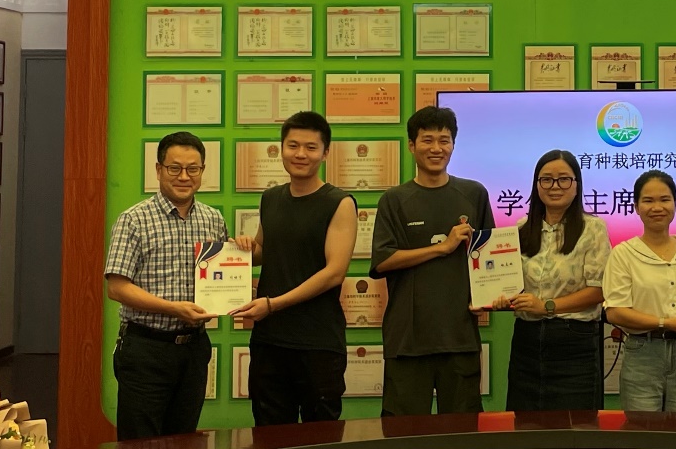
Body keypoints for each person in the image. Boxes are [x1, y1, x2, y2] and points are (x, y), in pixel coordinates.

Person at [230, 111, 358, 426]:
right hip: (270, 341)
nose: (301, 154)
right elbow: (264, 251)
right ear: (282, 149)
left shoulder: (339, 203)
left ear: (325, 153)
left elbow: (334, 273)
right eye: (293, 145)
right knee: (269, 436)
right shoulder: (271, 198)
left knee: (320, 439)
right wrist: (241, 249)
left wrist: (273, 304)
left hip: (317, 342)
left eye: (311, 147)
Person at [370, 106, 493, 416]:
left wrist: (488, 297)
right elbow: (383, 261)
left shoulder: (474, 194)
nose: (436, 148)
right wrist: (442, 248)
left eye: (444, 140)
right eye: (427, 140)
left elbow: (489, 256)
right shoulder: (394, 200)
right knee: (403, 434)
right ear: (412, 146)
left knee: (463, 432)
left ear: (453, 145)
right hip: (407, 340)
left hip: (459, 337)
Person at [104, 132, 227, 441]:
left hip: (194, 349)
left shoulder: (213, 219)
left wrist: (244, 249)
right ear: (158, 170)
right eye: (175, 168)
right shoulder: (134, 220)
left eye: (193, 168)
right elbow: (117, 287)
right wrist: (173, 309)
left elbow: (223, 277)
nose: (184, 177)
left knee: (183, 443)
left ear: (202, 171)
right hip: (146, 349)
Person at [500, 149, 611, 412]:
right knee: (525, 424)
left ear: (576, 185)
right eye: (546, 179)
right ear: (537, 184)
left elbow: (599, 290)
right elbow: (509, 283)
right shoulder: (520, 228)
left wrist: (547, 306)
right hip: (526, 341)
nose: (555, 186)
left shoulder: (593, 228)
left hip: (575, 344)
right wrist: (499, 297)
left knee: (575, 427)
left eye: (564, 179)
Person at [603, 170, 676, 412]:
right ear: (636, 207)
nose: (657, 207)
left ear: (675, 204)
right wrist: (665, 323)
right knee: (642, 430)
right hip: (642, 353)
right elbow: (615, 312)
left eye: (665, 199)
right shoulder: (623, 254)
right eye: (648, 201)